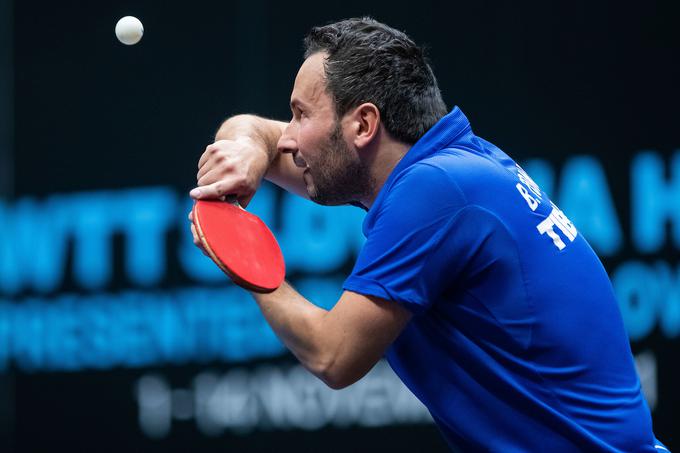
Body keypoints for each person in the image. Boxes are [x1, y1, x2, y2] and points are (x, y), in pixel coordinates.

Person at [189, 17, 667, 452]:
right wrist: (250, 148)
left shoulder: (435, 190)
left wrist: (242, 258)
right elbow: (251, 128)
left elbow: (333, 356)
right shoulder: (453, 164)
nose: (288, 137)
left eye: (300, 114)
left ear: (363, 124)